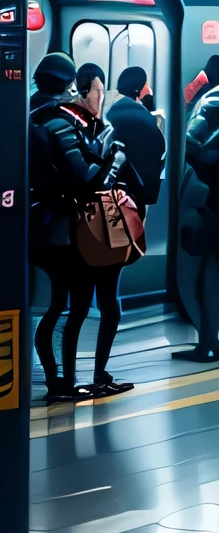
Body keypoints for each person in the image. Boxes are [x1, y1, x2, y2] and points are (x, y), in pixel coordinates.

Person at [30, 56, 131, 399]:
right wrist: (113, 160)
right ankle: (63, 383)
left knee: (59, 307)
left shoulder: (30, 114)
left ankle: (61, 380)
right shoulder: (58, 121)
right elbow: (85, 181)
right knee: (68, 308)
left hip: (41, 222)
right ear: (67, 83)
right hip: (63, 226)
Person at [176, 74, 219, 362]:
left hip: (205, 204)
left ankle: (208, 340)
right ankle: (212, 339)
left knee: (205, 271)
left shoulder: (212, 102)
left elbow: (191, 144)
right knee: (214, 272)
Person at [106, 66, 165, 216]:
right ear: (139, 91)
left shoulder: (106, 109)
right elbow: (159, 148)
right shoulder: (147, 119)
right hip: (133, 194)